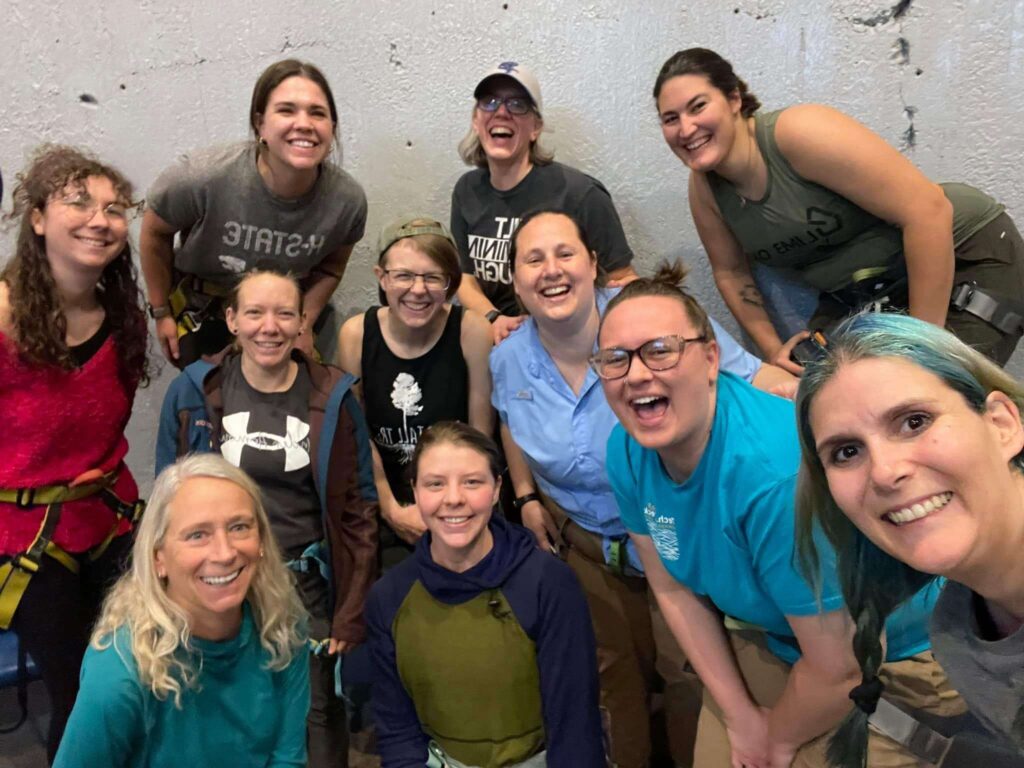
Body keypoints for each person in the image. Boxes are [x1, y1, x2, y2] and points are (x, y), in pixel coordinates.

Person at [597, 265, 963, 767]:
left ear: (710, 358)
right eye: (614, 359)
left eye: (660, 350)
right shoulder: (627, 447)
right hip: (779, 637)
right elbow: (671, 588)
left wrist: (776, 737)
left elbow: (841, 668)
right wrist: (740, 715)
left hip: (888, 653)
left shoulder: (771, 478)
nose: (637, 374)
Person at [490, 208, 795, 768]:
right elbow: (510, 420)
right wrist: (527, 494)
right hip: (582, 541)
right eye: (533, 259)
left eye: (564, 253)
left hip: (680, 534)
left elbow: (751, 377)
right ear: (514, 280)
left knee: (690, 673)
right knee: (611, 673)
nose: (551, 270)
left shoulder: (647, 323)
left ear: (594, 265)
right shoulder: (506, 358)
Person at [654, 47, 1024, 370]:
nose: (686, 129)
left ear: (734, 99)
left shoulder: (798, 133)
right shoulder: (704, 190)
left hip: (964, 255)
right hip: (861, 296)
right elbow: (732, 273)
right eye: (671, 119)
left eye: (698, 106)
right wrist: (773, 353)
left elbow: (928, 211)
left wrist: (925, 349)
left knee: (934, 397)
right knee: (814, 395)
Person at [156, 268, 378, 768]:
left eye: (284, 313)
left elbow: (360, 508)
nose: (269, 327)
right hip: (220, 578)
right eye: (254, 312)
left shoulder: (334, 397)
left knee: (317, 711)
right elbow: (167, 506)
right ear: (232, 319)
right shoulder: (197, 392)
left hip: (307, 584)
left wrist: (350, 609)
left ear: (303, 322)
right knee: (221, 702)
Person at [794, 312, 1024, 761]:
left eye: (914, 421)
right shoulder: (958, 629)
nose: (883, 471)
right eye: (846, 451)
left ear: (1001, 424)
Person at [0, 145, 149, 763]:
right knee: (82, 691)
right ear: (37, 218)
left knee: (134, 675)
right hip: (25, 536)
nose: (100, 219)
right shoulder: (3, 316)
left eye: (115, 209)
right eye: (79, 202)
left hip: (109, 514)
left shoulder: (118, 314)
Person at [365, 422, 604, 768]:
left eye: (472, 482)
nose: (453, 498)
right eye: (435, 484)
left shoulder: (548, 583)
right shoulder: (389, 597)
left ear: (496, 489)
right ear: (415, 491)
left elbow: (574, 725)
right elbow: (397, 732)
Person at [53, 454, 310, 767]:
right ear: (158, 558)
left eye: (239, 527)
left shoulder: (282, 625)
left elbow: (287, 758)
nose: (225, 552)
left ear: (261, 541)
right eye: (197, 535)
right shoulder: (119, 675)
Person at [141, 58, 367, 367]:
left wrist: (305, 322)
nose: (304, 123)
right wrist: (161, 312)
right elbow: (155, 233)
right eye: (287, 110)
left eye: (318, 113)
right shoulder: (202, 178)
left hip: (282, 323)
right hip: (205, 314)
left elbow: (331, 269)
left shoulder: (347, 202)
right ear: (260, 123)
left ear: (332, 128)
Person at [451, 61, 639, 345]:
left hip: (568, 344)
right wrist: (494, 319)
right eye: (489, 103)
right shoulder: (466, 191)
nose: (501, 112)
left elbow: (622, 282)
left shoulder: (579, 193)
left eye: (517, 104)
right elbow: (465, 278)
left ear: (536, 127)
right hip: (496, 342)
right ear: (476, 121)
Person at [338, 216, 493, 549]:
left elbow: (481, 437)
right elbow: (357, 433)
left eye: (433, 277)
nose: (418, 290)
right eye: (403, 276)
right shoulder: (356, 335)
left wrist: (455, 510)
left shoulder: (472, 330)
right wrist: (391, 509)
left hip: (458, 502)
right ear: (381, 277)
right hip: (386, 500)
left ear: (450, 283)